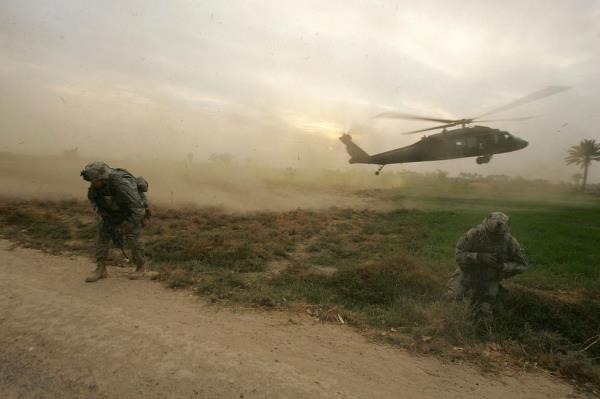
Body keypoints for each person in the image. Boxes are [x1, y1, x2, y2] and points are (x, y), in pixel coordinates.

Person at [445, 212, 528, 329]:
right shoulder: (474, 234)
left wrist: (504, 266)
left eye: (498, 235)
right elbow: (459, 254)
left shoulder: (510, 241)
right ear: (486, 226)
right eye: (491, 234)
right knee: (451, 298)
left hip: (490, 279)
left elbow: (523, 264)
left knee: (484, 315)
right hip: (467, 274)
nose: (494, 237)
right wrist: (478, 256)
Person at [80, 162, 150, 282]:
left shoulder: (122, 184)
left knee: (132, 237)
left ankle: (141, 267)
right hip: (115, 211)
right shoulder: (95, 189)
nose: (91, 183)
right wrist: (109, 223)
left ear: (102, 178)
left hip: (133, 211)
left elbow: (138, 210)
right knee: (103, 233)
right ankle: (101, 269)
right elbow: (98, 207)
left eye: (94, 180)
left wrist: (123, 228)